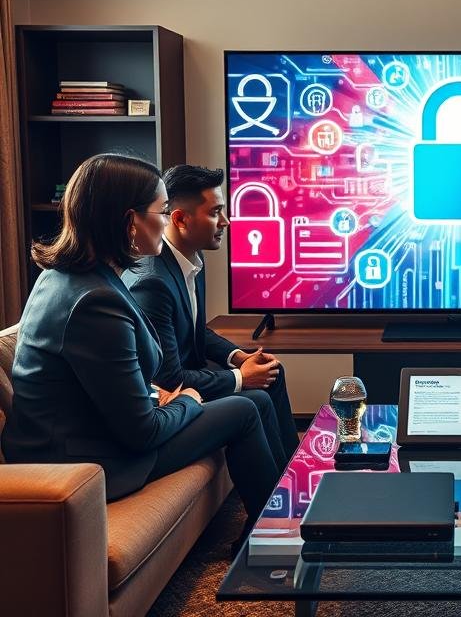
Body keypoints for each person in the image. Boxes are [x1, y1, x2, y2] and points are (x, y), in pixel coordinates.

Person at [1, 154, 280, 547]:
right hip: (87, 462)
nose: (167, 222)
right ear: (131, 221)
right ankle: (276, 537)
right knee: (245, 409)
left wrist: (158, 397)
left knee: (249, 403)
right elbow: (142, 432)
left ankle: (278, 518)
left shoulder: (73, 277)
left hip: (95, 435)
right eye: (163, 212)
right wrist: (189, 400)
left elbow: (107, 385)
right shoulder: (95, 302)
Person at [123, 164, 300, 467]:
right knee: (252, 396)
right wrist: (239, 378)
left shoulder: (191, 256)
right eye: (215, 212)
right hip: (172, 394)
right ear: (180, 219)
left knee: (272, 372)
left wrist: (238, 357)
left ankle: (292, 474)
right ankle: (278, 498)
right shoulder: (152, 283)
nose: (226, 222)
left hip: (191, 377)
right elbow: (168, 378)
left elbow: (195, 331)